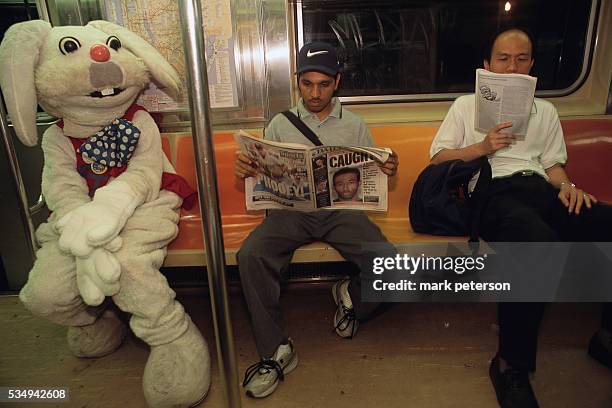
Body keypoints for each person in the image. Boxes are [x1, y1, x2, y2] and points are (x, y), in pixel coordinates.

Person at [429, 27, 612, 408]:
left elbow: (553, 165)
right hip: (492, 191)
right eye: (503, 58)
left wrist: (567, 186)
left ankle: (606, 338)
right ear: (487, 65)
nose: (512, 66)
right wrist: (482, 146)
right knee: (537, 244)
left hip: (542, 188)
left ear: (531, 64)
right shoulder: (466, 105)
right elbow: (437, 161)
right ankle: (509, 364)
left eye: (521, 58)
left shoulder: (545, 110)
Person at [235, 41, 399, 398]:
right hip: (290, 212)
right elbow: (261, 175)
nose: (314, 93)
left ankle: (351, 298)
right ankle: (275, 350)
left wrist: (387, 168)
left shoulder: (354, 124)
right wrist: (246, 169)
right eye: (307, 84)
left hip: (339, 212)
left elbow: (372, 175)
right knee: (250, 255)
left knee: (390, 263)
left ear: (337, 82)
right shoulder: (280, 123)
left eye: (323, 84)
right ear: (298, 82)